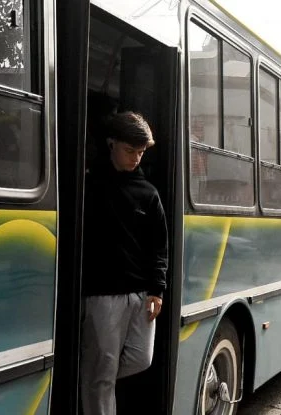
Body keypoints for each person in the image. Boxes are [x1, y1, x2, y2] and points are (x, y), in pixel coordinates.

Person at [80, 111, 168, 415]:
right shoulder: (89, 186)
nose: (136, 158)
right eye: (130, 150)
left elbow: (160, 246)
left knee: (140, 359)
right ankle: (94, 382)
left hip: (142, 294)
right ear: (111, 144)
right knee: (102, 375)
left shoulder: (148, 193)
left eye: (141, 152)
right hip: (102, 294)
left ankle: (90, 377)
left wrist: (157, 289)